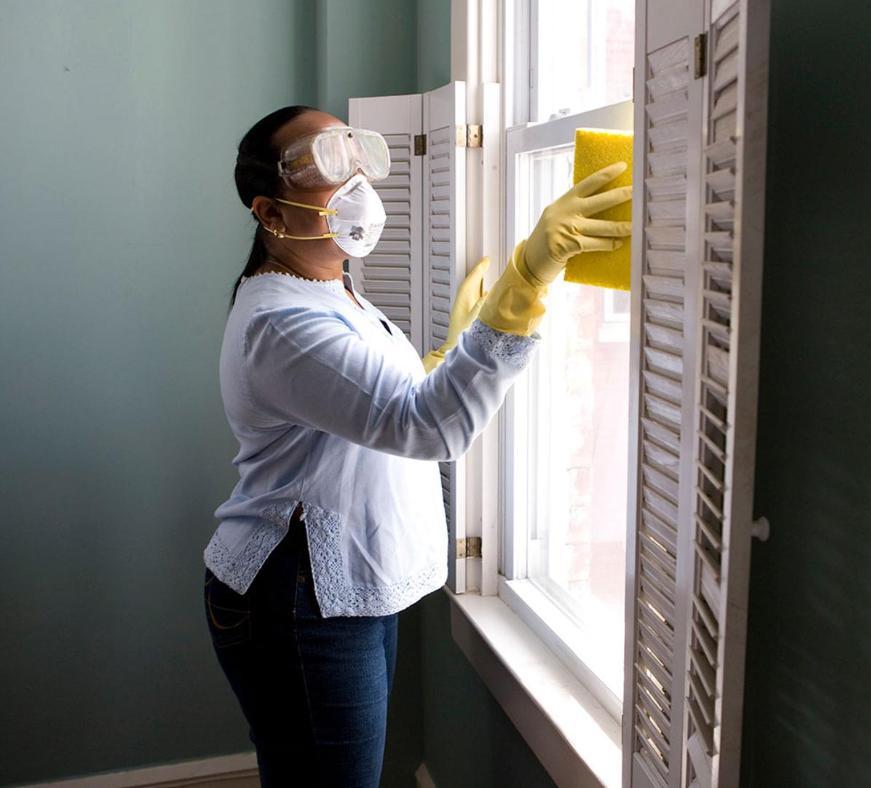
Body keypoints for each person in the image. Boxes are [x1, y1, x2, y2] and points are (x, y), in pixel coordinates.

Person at [201, 104, 632, 787]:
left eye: (355, 151)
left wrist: (448, 353)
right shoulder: (280, 322)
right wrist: (526, 279)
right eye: (325, 164)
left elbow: (367, 402)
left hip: (336, 588)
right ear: (271, 213)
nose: (357, 180)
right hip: (297, 594)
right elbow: (428, 429)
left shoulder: (329, 290)